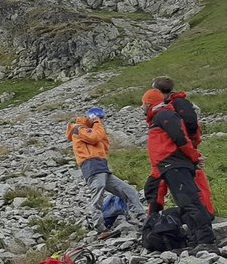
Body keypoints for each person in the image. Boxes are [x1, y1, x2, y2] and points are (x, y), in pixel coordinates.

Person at [141, 89, 217, 251]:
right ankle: (197, 240)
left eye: (143, 105)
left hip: (175, 165)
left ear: (148, 104)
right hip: (170, 166)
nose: (142, 108)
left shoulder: (164, 115)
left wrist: (195, 156)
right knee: (186, 203)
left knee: (191, 203)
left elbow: (180, 138)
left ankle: (206, 241)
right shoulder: (161, 116)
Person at [67, 107, 146, 235]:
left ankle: (143, 219)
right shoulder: (78, 128)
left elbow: (103, 145)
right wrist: (97, 123)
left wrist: (97, 125)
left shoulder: (90, 129)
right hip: (92, 166)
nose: (102, 120)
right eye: (100, 117)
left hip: (101, 166)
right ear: (93, 117)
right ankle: (100, 228)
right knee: (98, 196)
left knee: (129, 191)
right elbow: (94, 138)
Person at [147, 77, 215, 217]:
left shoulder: (177, 103)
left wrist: (191, 149)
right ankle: (154, 218)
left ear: (159, 91)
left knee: (193, 183)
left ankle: (205, 214)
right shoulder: (167, 105)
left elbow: (189, 127)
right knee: (157, 185)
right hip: (174, 152)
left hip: (178, 151)